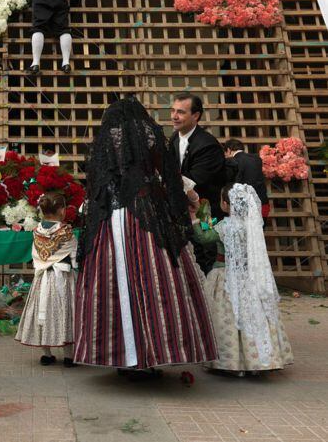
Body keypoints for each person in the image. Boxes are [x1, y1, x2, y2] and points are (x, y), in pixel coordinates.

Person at [74, 97, 217, 373]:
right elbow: (168, 176)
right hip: (147, 211)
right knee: (154, 277)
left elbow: (97, 180)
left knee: (113, 280)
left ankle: (121, 357)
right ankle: (155, 353)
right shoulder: (149, 134)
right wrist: (179, 214)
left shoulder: (106, 137)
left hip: (113, 217)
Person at [191, 184, 293, 375]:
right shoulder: (254, 226)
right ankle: (257, 360)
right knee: (254, 316)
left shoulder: (225, 226)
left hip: (225, 276)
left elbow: (204, 239)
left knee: (227, 318)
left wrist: (195, 220)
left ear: (225, 204)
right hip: (251, 279)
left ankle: (230, 362)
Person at [15, 192, 77, 367]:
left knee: (43, 313)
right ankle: (69, 356)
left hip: (42, 278)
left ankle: (47, 354)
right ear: (61, 211)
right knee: (64, 312)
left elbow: (37, 255)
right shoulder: (66, 232)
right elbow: (74, 256)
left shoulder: (36, 231)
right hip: (62, 278)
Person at [168, 93, 226, 274]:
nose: (174, 116)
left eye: (180, 112)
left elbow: (195, 180)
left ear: (196, 116)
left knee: (206, 248)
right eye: (173, 111)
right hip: (186, 210)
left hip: (207, 212)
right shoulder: (175, 138)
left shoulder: (208, 144)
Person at [223, 139, 270, 218]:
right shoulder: (257, 159)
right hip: (262, 204)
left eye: (225, 154)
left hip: (243, 207)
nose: (225, 156)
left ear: (228, 150)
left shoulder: (232, 161)